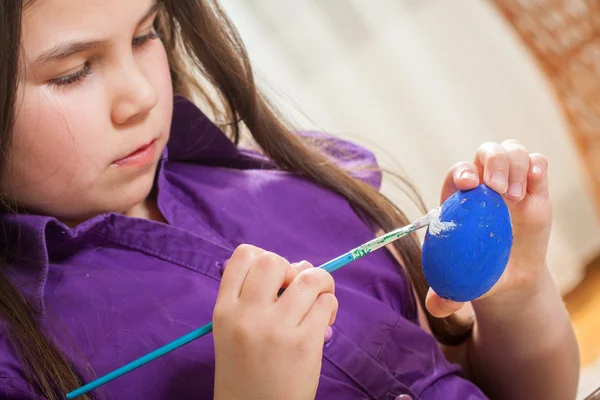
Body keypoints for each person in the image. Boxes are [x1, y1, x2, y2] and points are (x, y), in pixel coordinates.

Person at [0, 0, 579, 399]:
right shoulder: (19, 358)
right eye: (73, 72)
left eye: (145, 33)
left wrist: (517, 294)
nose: (143, 94)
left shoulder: (291, 191)